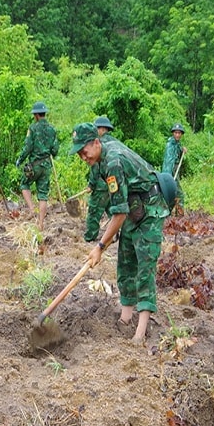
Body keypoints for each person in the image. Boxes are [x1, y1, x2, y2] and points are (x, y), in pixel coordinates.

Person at [70, 122, 170, 345]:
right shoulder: (102, 158)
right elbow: (111, 201)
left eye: (84, 152)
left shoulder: (113, 162)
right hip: (133, 210)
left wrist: (100, 247)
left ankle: (140, 330)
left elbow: (120, 212)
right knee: (125, 263)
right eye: (79, 154)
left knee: (144, 266)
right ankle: (126, 317)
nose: (83, 157)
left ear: (96, 143)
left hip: (150, 210)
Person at [16, 101, 59, 231]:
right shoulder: (52, 129)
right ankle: (40, 223)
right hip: (46, 166)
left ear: (35, 115)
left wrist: (20, 159)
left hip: (34, 165)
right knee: (43, 194)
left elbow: (28, 147)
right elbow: (55, 149)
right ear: (44, 114)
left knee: (24, 183)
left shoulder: (33, 128)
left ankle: (31, 210)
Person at [84, 116, 117, 242]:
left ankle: (90, 237)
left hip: (101, 185)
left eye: (96, 129)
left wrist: (91, 184)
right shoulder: (114, 142)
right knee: (111, 208)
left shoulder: (98, 145)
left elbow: (95, 167)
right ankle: (116, 233)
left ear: (102, 129)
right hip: (113, 183)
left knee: (94, 211)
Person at [162, 123, 187, 214]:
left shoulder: (177, 144)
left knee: (176, 194)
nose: (177, 135)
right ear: (173, 133)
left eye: (179, 133)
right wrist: (169, 178)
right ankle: (178, 215)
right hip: (171, 173)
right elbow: (168, 162)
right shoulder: (170, 145)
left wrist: (182, 150)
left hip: (175, 171)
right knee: (179, 194)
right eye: (176, 133)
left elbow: (179, 152)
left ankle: (175, 214)